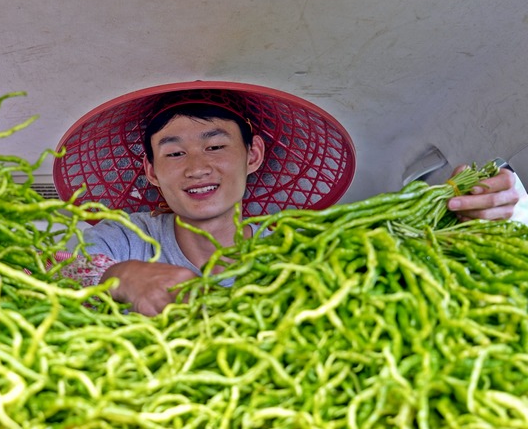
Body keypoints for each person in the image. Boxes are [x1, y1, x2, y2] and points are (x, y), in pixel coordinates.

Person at [54, 81, 522, 316]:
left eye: (216, 146)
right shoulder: (124, 239)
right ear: (152, 172)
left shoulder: (299, 244)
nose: (196, 166)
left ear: (252, 155)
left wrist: (477, 216)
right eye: (173, 152)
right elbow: (53, 276)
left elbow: (397, 273)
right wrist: (120, 278)